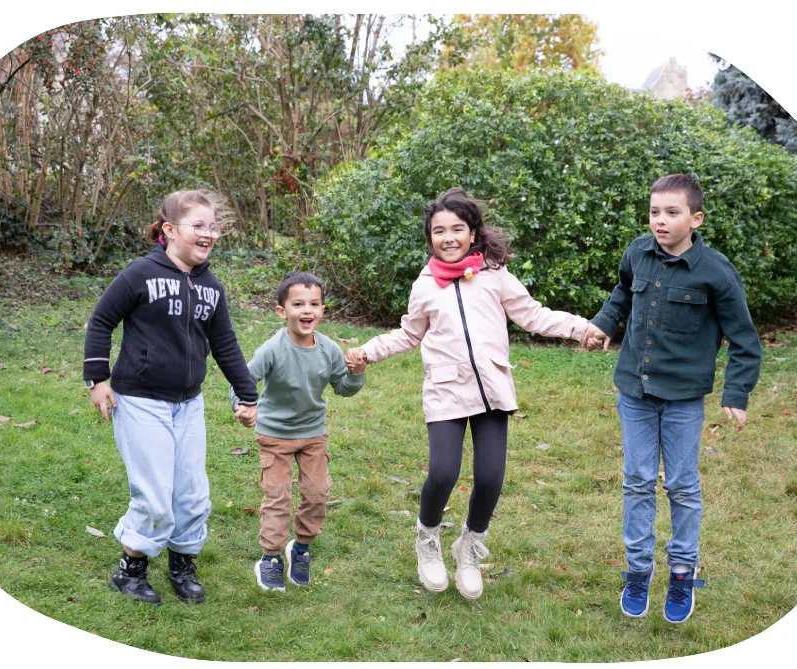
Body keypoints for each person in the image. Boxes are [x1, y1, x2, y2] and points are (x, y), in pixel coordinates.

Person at [345, 188, 587, 600]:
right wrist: (367, 352)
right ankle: (427, 537)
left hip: (492, 388)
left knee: (491, 477)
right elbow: (408, 333)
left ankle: (469, 546)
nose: (449, 237)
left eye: (458, 228)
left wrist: (582, 328)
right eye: (439, 231)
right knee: (443, 472)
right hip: (445, 389)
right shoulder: (425, 286)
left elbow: (533, 314)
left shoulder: (494, 275)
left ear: (473, 233)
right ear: (430, 238)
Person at [582, 173, 762, 624]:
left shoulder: (715, 272)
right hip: (635, 392)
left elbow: (744, 339)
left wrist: (736, 393)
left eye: (672, 212)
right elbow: (623, 293)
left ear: (695, 218)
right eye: (654, 212)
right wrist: (604, 323)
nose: (660, 221)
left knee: (682, 485)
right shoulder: (637, 253)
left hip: (683, 398)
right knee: (638, 480)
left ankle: (681, 574)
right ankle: (639, 571)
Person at [83, 189, 258, 606]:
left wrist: (247, 394)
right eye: (198, 225)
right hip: (140, 400)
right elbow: (101, 320)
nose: (208, 233)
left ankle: (183, 564)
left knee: (193, 493)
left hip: (188, 404)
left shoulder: (211, 286)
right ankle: (131, 570)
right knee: (155, 494)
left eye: (213, 226)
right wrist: (97, 379)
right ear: (169, 230)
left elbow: (226, 344)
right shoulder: (139, 274)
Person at [230, 271, 365, 591]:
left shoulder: (329, 349)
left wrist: (356, 374)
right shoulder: (272, 349)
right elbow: (243, 382)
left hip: (312, 435)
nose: (307, 310)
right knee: (278, 496)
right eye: (298, 304)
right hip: (274, 435)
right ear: (282, 311)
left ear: (322, 310)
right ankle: (271, 558)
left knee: (317, 493)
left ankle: (300, 549)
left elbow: (343, 388)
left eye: (314, 304)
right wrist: (244, 408)